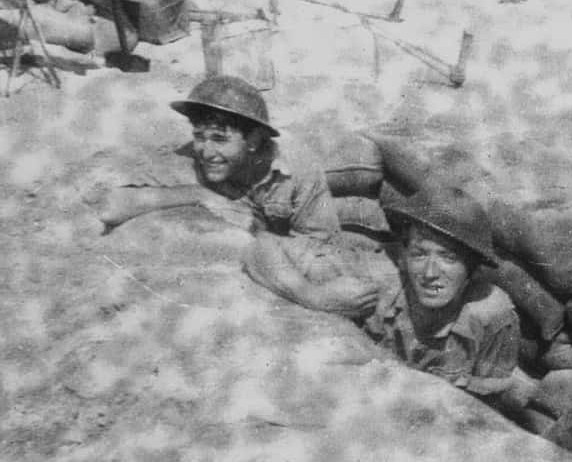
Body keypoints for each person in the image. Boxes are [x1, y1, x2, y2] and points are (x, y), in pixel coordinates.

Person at [88, 74, 386, 319]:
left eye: (220, 139)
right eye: (200, 136)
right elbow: (111, 208)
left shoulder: (297, 170)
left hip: (283, 253)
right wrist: (199, 194)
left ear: (254, 140)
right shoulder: (194, 161)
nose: (206, 150)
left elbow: (324, 250)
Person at [364, 182, 538, 414]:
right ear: (403, 257)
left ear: (471, 268)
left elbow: (491, 410)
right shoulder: (382, 289)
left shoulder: (491, 315)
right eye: (419, 254)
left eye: (448, 258)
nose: (429, 273)